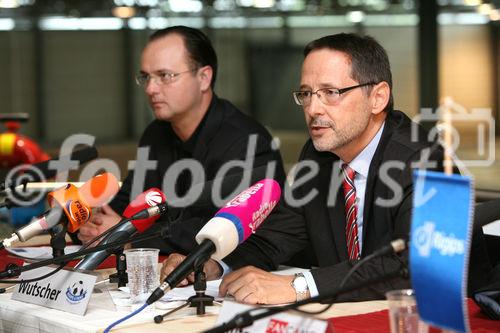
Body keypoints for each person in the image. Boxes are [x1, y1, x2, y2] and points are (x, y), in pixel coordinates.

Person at [161, 33, 492, 303]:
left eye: (331, 93)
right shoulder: (319, 156)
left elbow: (417, 269)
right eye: (306, 94)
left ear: (378, 98)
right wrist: (213, 264)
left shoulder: (426, 160)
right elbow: (276, 238)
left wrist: (300, 285)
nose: (313, 109)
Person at [77, 26, 285, 255]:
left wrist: (127, 237)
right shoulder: (156, 134)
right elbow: (127, 203)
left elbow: (215, 230)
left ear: (204, 77)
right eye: (146, 77)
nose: (150, 88)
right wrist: (93, 225)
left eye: (165, 76)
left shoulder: (247, 142)